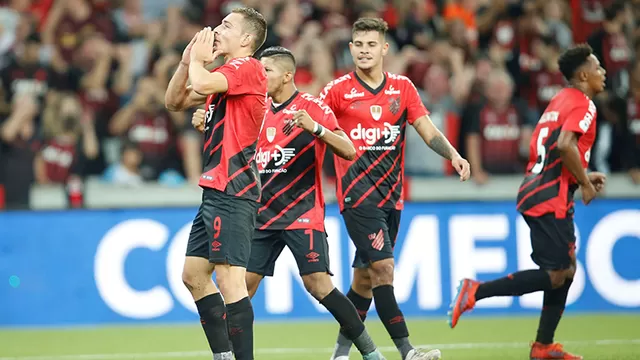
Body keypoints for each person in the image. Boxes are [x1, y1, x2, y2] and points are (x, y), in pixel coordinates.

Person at [320, 18, 471, 360]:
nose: (364, 51)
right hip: (357, 197)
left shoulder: (402, 88)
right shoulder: (337, 90)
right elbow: (310, 121)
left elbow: (427, 130)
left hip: (392, 197)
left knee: (363, 281)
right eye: (358, 45)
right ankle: (408, 351)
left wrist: (454, 154)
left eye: (371, 45)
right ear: (350, 49)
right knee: (384, 269)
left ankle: (340, 355)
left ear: (384, 49)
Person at [448, 44, 608, 360]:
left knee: (567, 269)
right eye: (598, 68)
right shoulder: (583, 104)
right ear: (584, 74)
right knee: (556, 273)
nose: (603, 73)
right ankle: (476, 291)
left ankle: (543, 346)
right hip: (551, 195)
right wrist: (585, 184)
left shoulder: (559, 100)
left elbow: (549, 147)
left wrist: (584, 174)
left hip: (538, 188)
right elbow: (564, 145)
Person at [163, 7, 267, 360]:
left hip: (234, 190)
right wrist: (185, 63)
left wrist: (200, 61)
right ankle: (223, 356)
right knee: (193, 275)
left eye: (227, 26)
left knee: (230, 281)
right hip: (215, 190)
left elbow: (204, 82)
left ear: (247, 40)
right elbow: (174, 101)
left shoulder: (248, 68)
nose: (217, 30)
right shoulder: (226, 76)